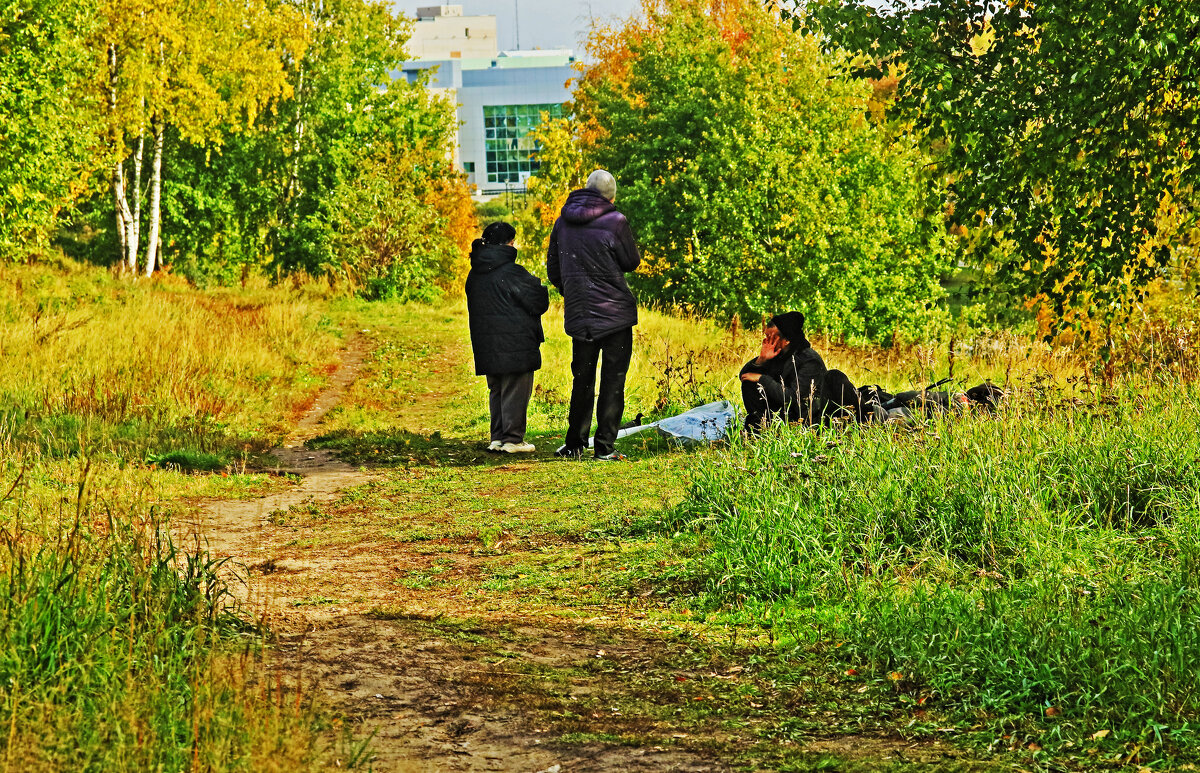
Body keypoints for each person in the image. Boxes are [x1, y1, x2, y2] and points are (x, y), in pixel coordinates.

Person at [546, 169, 641, 460]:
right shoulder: (616, 221)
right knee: (614, 380)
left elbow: (553, 269)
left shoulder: (562, 222)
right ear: (611, 196)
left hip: (580, 314)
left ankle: (574, 443)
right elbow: (631, 262)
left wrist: (573, 292)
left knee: (582, 379)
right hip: (615, 315)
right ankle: (604, 448)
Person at [465, 221, 549, 454]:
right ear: (508, 243)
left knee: (497, 389)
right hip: (516, 343)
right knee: (516, 388)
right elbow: (538, 302)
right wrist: (539, 286)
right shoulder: (513, 272)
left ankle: (498, 438)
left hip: (486, 343)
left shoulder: (475, 274)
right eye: (513, 241)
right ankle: (513, 440)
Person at [740, 311, 827, 431]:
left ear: (787, 340)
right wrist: (761, 360)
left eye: (771, 338)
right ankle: (758, 428)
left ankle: (771, 430)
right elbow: (744, 376)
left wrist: (762, 379)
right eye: (766, 336)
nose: (766, 342)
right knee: (749, 383)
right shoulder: (776, 353)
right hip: (778, 412)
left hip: (802, 419)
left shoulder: (809, 361)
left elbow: (793, 398)